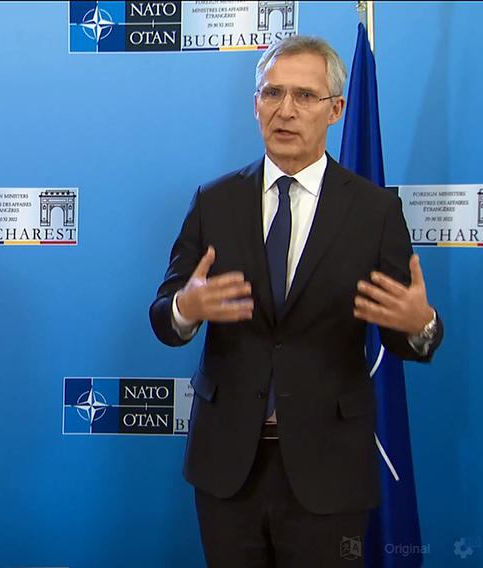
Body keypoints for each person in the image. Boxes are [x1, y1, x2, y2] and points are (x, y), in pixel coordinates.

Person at [149, 36, 443, 567]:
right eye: (273, 93)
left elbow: (407, 332)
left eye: (305, 96)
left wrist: (420, 324)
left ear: (336, 109)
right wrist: (185, 309)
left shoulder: (373, 211)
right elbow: (165, 317)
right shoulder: (215, 201)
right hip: (228, 469)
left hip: (329, 472)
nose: (286, 110)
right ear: (255, 104)